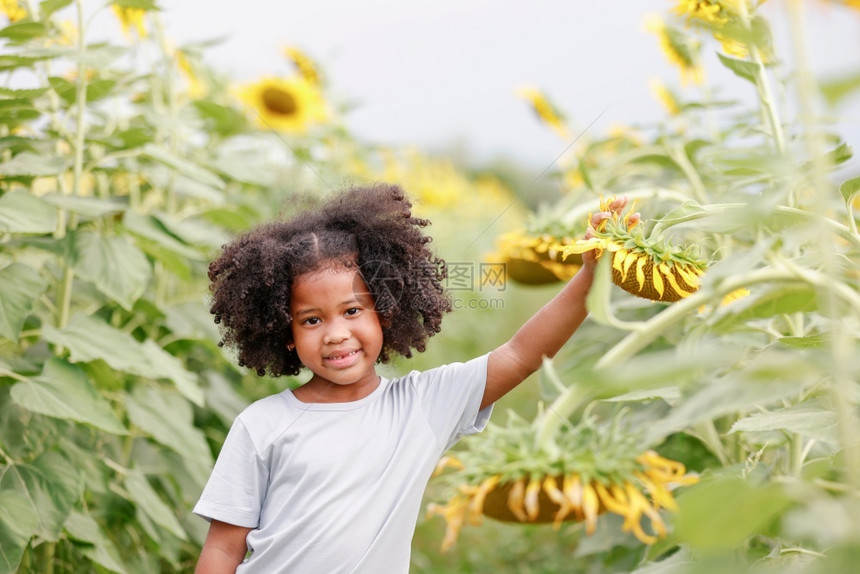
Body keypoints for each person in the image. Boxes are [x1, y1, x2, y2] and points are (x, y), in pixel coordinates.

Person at [193, 183, 632, 573]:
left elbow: (519, 355)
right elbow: (223, 549)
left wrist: (589, 276)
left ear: (385, 310)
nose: (336, 334)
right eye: (311, 320)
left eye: (352, 310)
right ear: (284, 333)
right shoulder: (261, 424)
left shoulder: (422, 405)